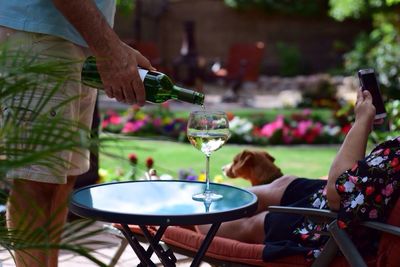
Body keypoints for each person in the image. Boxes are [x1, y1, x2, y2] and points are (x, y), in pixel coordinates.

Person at [0, 1, 154, 266]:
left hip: (76, 40)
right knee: (36, 182)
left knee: (61, 181)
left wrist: (109, 47)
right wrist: (110, 49)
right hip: (38, 35)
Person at [197, 88, 400, 261]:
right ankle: (205, 205)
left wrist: (362, 120)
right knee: (283, 184)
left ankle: (193, 221)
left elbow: (338, 193)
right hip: (361, 195)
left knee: (259, 221)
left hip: (345, 225)